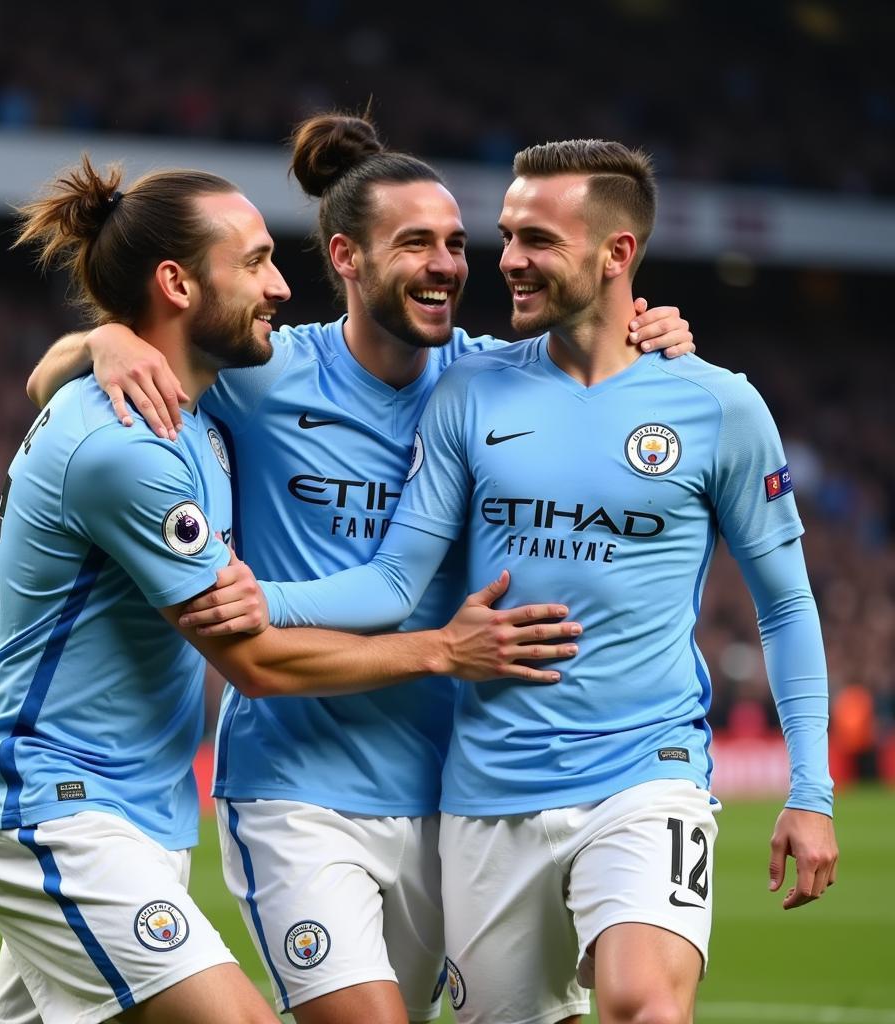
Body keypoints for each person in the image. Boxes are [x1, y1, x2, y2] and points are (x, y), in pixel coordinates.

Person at [26, 115, 694, 1024]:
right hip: (294, 785)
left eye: (458, 244)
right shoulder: (261, 373)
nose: (447, 265)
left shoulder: (494, 383)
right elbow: (84, 384)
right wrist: (100, 342)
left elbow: (606, 363)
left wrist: (658, 339)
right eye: (415, 243)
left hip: (444, 792)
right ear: (345, 257)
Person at [259, 138, 840, 1024]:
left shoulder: (717, 404)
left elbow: (787, 602)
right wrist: (255, 602)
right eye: (508, 234)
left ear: (618, 254)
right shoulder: (471, 390)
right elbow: (392, 583)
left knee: (644, 1002)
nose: (508, 260)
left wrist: (810, 791)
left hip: (647, 769)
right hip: (487, 792)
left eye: (537, 239)